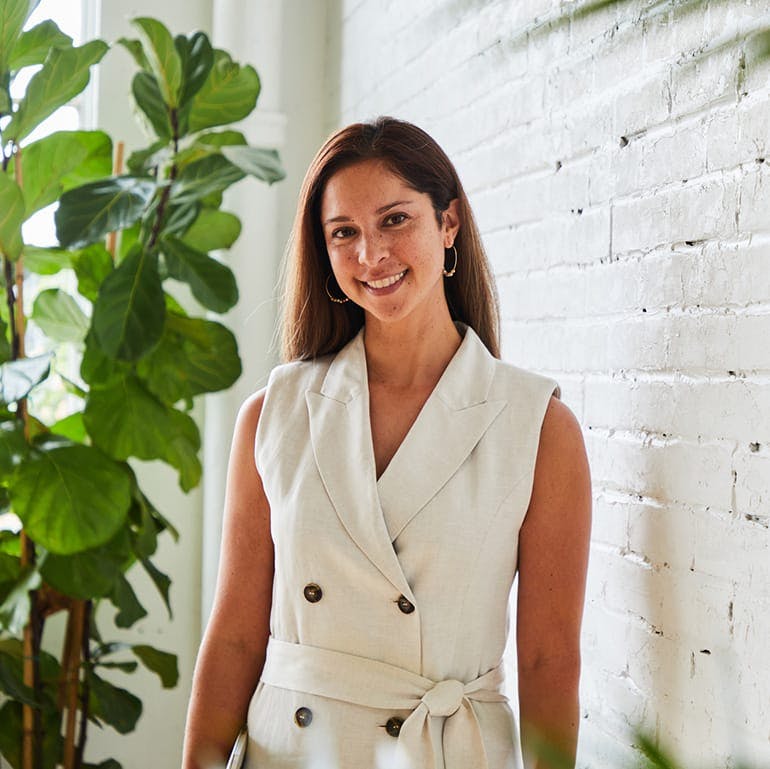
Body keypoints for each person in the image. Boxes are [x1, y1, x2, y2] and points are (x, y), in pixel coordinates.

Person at [182, 116, 592, 769]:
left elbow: (549, 657)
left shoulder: (536, 426)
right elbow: (234, 637)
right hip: (292, 748)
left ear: (448, 223)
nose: (370, 254)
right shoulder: (274, 414)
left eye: (395, 220)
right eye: (343, 232)